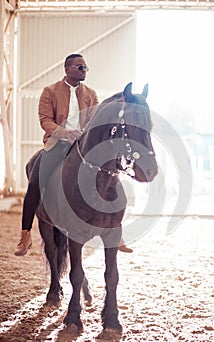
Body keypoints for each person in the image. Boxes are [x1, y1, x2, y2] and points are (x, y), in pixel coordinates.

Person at [14, 53, 133, 257]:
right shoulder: (49, 91)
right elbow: (45, 121)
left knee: (112, 173)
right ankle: (25, 234)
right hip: (57, 144)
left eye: (86, 68)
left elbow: (94, 122)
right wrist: (65, 133)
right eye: (80, 67)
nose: (84, 71)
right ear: (68, 69)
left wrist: (85, 135)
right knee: (35, 182)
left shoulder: (91, 94)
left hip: (83, 145)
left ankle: (115, 228)